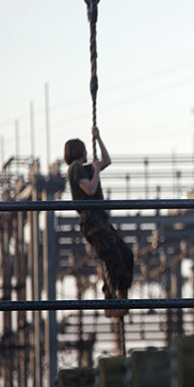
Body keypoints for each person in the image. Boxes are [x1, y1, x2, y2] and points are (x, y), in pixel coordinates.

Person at [64, 126, 134, 317]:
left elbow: (106, 161)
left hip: (100, 220)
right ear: (79, 151)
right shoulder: (75, 168)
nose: (88, 152)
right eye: (85, 149)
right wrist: (95, 171)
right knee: (114, 259)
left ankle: (120, 297)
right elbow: (90, 189)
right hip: (92, 222)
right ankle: (111, 302)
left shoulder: (83, 169)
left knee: (126, 254)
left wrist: (99, 138)